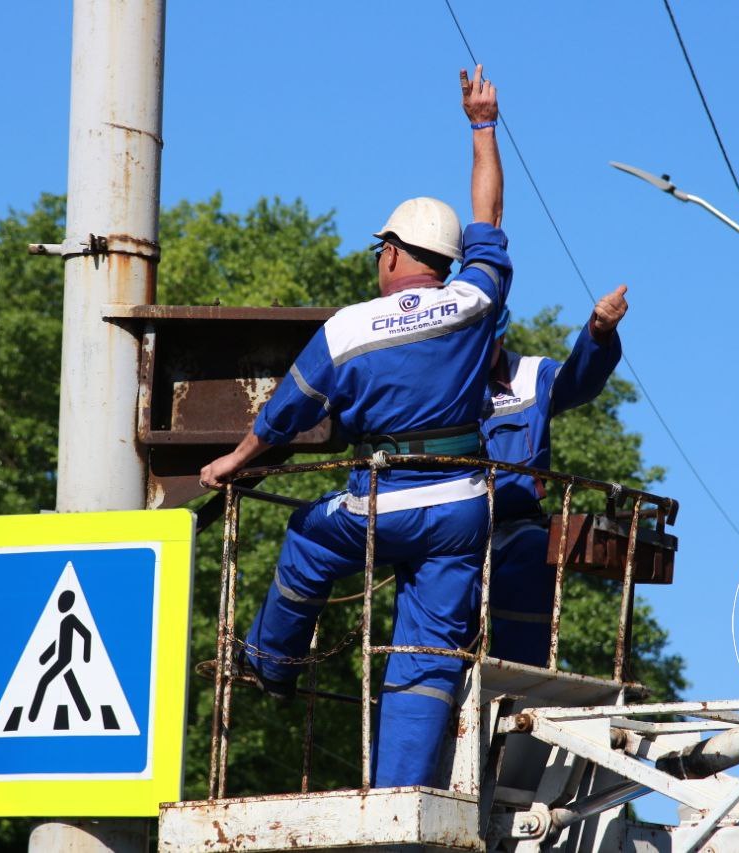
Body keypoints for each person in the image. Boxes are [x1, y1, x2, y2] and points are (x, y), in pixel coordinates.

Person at [198, 65, 509, 788]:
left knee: (308, 537)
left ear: (393, 254)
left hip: (382, 502)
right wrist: (483, 124)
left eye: (381, 251)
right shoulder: (475, 296)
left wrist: (233, 462)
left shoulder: (348, 329)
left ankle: (270, 663)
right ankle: (400, 793)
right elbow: (489, 216)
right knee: (427, 653)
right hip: (465, 504)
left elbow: (281, 417)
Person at [482, 286, 628, 666]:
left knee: (534, 556)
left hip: (514, 527)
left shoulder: (531, 375)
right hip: (449, 526)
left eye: (486, 340)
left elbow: (578, 380)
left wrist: (599, 333)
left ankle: (515, 687)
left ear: (501, 335)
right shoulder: (437, 380)